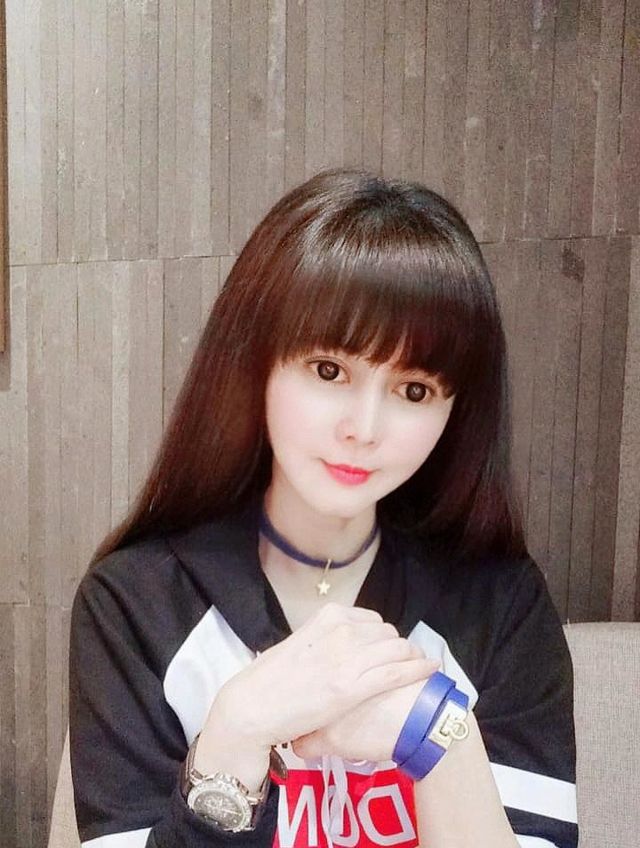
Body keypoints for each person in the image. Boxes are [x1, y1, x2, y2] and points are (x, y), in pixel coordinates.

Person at [69, 169, 578, 848]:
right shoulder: (135, 605)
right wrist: (236, 733)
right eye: (330, 371)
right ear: (255, 364)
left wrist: (438, 739)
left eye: (415, 390)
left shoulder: (500, 604)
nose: (364, 429)